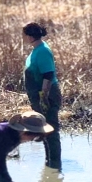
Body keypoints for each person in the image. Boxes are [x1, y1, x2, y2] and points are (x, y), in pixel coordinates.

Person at [22, 22, 62, 170]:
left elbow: (48, 74)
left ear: (30, 36)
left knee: (51, 129)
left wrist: (43, 97)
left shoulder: (43, 51)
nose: (24, 38)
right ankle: (49, 163)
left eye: (24, 35)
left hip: (47, 94)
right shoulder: (36, 50)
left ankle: (55, 166)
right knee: (44, 129)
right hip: (38, 95)